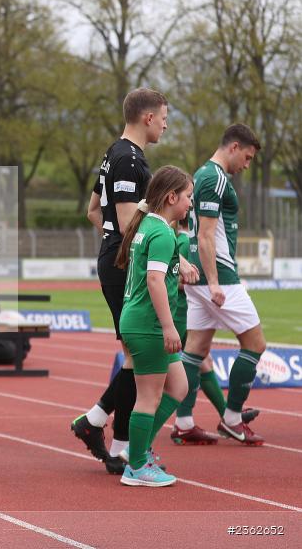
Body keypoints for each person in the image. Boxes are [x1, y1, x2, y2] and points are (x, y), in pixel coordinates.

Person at [72, 88, 187, 474]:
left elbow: (93, 211)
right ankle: (121, 443)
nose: (167, 124)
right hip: (123, 265)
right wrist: (158, 252)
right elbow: (125, 226)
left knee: (133, 357)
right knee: (139, 355)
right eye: (165, 117)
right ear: (148, 118)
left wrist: (114, 242)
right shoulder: (128, 159)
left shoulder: (115, 153)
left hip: (117, 258)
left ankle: (98, 423)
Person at [176, 124, 266, 445]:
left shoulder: (204, 174)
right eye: (247, 157)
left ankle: (184, 422)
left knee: (196, 349)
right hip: (220, 278)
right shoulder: (214, 177)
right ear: (234, 146)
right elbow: (205, 235)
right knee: (255, 344)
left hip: (199, 276)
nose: (247, 164)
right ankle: (231, 418)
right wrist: (214, 281)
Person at [116, 166, 192, 487]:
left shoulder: (150, 225)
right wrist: (168, 326)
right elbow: (155, 279)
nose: (190, 203)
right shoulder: (161, 233)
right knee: (148, 398)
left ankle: (139, 448)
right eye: (188, 196)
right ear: (171, 196)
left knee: (179, 388)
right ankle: (135, 466)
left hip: (140, 320)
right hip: (148, 325)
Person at [169, 217, 260, 445]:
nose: (189, 201)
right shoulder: (181, 242)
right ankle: (228, 416)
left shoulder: (182, 239)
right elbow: (169, 275)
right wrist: (206, 281)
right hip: (178, 312)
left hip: (184, 306)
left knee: (199, 356)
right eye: (186, 197)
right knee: (147, 374)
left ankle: (188, 422)